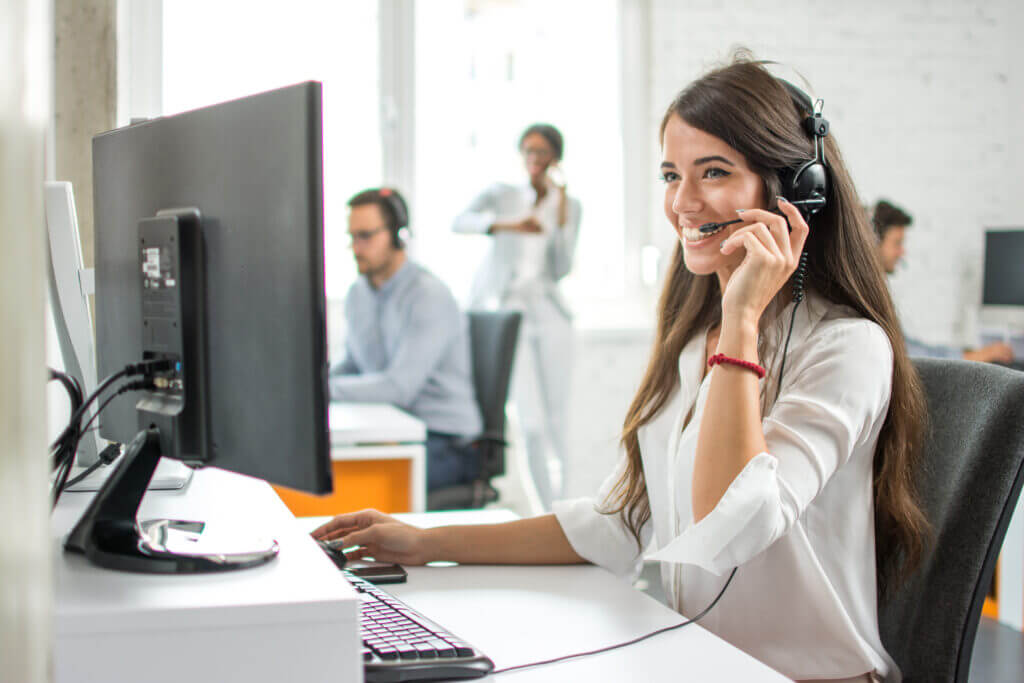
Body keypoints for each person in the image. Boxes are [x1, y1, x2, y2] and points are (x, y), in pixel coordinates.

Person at [315, 56, 930, 682]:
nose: (682, 203)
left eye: (713, 172)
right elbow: (622, 521)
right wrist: (426, 543)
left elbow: (734, 527)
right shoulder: (696, 343)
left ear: (797, 190)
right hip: (706, 664)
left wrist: (742, 315)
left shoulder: (847, 348)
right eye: (671, 174)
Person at [452, 123, 582, 508]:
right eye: (527, 151)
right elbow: (459, 222)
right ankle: (544, 512)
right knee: (531, 423)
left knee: (558, 421)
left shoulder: (568, 205)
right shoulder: (503, 195)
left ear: (555, 158)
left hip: (549, 312)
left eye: (541, 152)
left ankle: (565, 509)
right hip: (509, 311)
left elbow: (561, 268)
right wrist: (507, 225)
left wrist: (559, 217)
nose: (533, 159)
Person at [330, 188, 483, 495]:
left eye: (366, 236)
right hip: (396, 430)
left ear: (398, 235)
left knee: (345, 486)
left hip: (447, 442)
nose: (356, 248)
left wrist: (322, 391)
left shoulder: (427, 295)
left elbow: (399, 388)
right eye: (352, 237)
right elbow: (354, 364)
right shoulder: (358, 293)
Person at [873, 199, 1015, 363]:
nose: (902, 252)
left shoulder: (878, 290)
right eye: (897, 243)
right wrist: (974, 357)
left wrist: (965, 354)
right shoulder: (870, 295)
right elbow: (910, 355)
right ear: (873, 243)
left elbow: (907, 346)